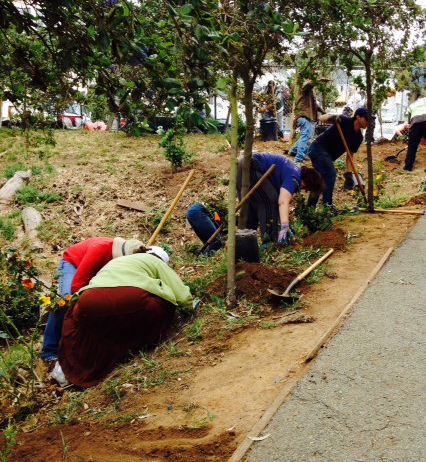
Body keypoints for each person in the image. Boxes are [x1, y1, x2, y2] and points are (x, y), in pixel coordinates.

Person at [52, 247, 192, 388]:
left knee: (93, 331)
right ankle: (136, 346)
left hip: (86, 302)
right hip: (128, 299)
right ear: (162, 260)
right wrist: (188, 307)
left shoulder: (117, 261)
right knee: (165, 301)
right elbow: (181, 294)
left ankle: (66, 371)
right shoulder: (155, 261)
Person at [40, 237, 146, 364]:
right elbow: (77, 285)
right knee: (66, 299)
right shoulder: (99, 251)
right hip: (73, 263)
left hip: (96, 268)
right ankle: (49, 351)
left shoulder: (130, 252)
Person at [188, 153, 324, 246]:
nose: (304, 190)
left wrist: (283, 223)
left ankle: (245, 244)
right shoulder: (295, 177)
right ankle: (269, 242)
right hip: (251, 166)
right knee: (270, 200)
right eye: (307, 188)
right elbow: (282, 201)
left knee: (251, 209)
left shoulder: (292, 169)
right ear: (307, 181)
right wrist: (284, 226)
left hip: (242, 165)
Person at [307, 107, 369, 208]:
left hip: (326, 155)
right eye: (366, 119)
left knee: (319, 179)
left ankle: (309, 208)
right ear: (358, 117)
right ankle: (327, 205)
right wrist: (333, 118)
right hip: (318, 148)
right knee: (331, 173)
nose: (368, 122)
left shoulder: (358, 138)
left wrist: (349, 174)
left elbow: (350, 156)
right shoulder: (344, 120)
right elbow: (321, 118)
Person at [289, 79, 325, 164]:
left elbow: (315, 105)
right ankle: (298, 158)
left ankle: (293, 151)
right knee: (305, 136)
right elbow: (308, 86)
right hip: (303, 115)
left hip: (305, 116)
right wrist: (318, 80)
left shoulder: (310, 91)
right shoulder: (304, 85)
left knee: (306, 136)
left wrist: (323, 112)